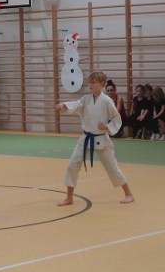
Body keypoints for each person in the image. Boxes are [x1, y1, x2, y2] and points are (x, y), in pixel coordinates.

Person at [55, 71, 135, 206]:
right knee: (72, 165)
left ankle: (129, 194)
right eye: (89, 82)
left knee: (112, 167)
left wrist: (106, 126)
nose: (90, 85)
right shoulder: (86, 99)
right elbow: (75, 105)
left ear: (102, 84)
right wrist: (64, 105)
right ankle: (69, 197)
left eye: (93, 82)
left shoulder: (107, 101)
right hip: (86, 138)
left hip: (101, 139)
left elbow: (117, 118)